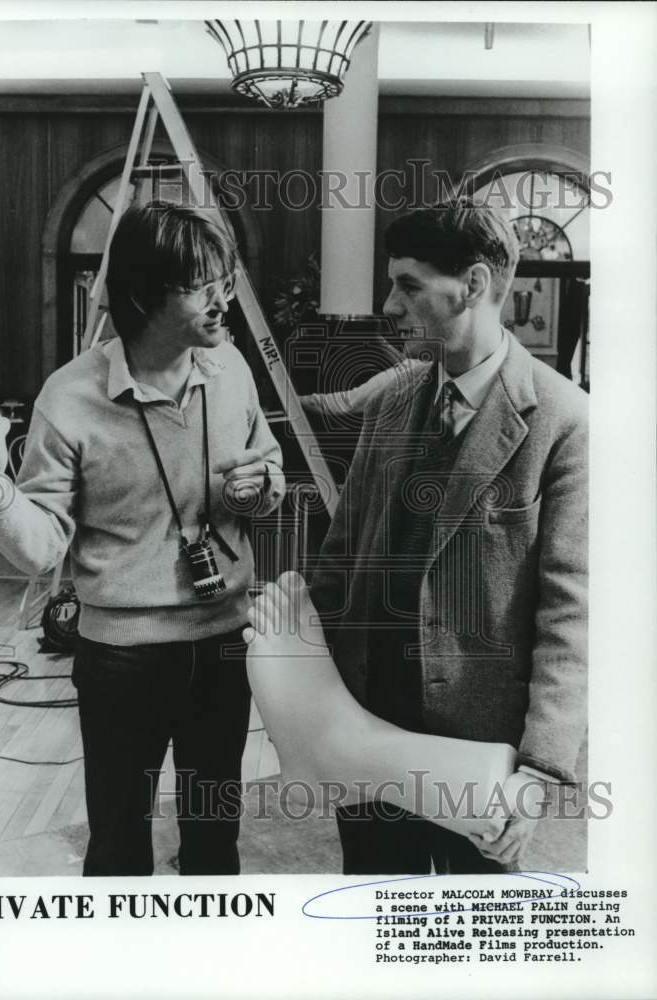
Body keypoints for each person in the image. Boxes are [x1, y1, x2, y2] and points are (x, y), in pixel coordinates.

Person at [245, 202, 587, 875]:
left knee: (470, 947)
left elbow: (572, 614)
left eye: (409, 284)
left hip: (479, 754)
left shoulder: (565, 422)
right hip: (367, 732)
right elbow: (342, 553)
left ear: (476, 283)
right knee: (374, 924)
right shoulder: (395, 400)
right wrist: (300, 665)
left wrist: (540, 772)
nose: (389, 304)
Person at [0, 201, 285, 876]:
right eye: (202, 286)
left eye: (225, 282)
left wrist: (259, 487)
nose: (223, 301)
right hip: (123, 661)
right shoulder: (70, 395)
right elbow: (41, 549)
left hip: (224, 645)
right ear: (143, 293)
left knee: (214, 841)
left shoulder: (230, 372)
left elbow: (267, 464)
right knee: (117, 849)